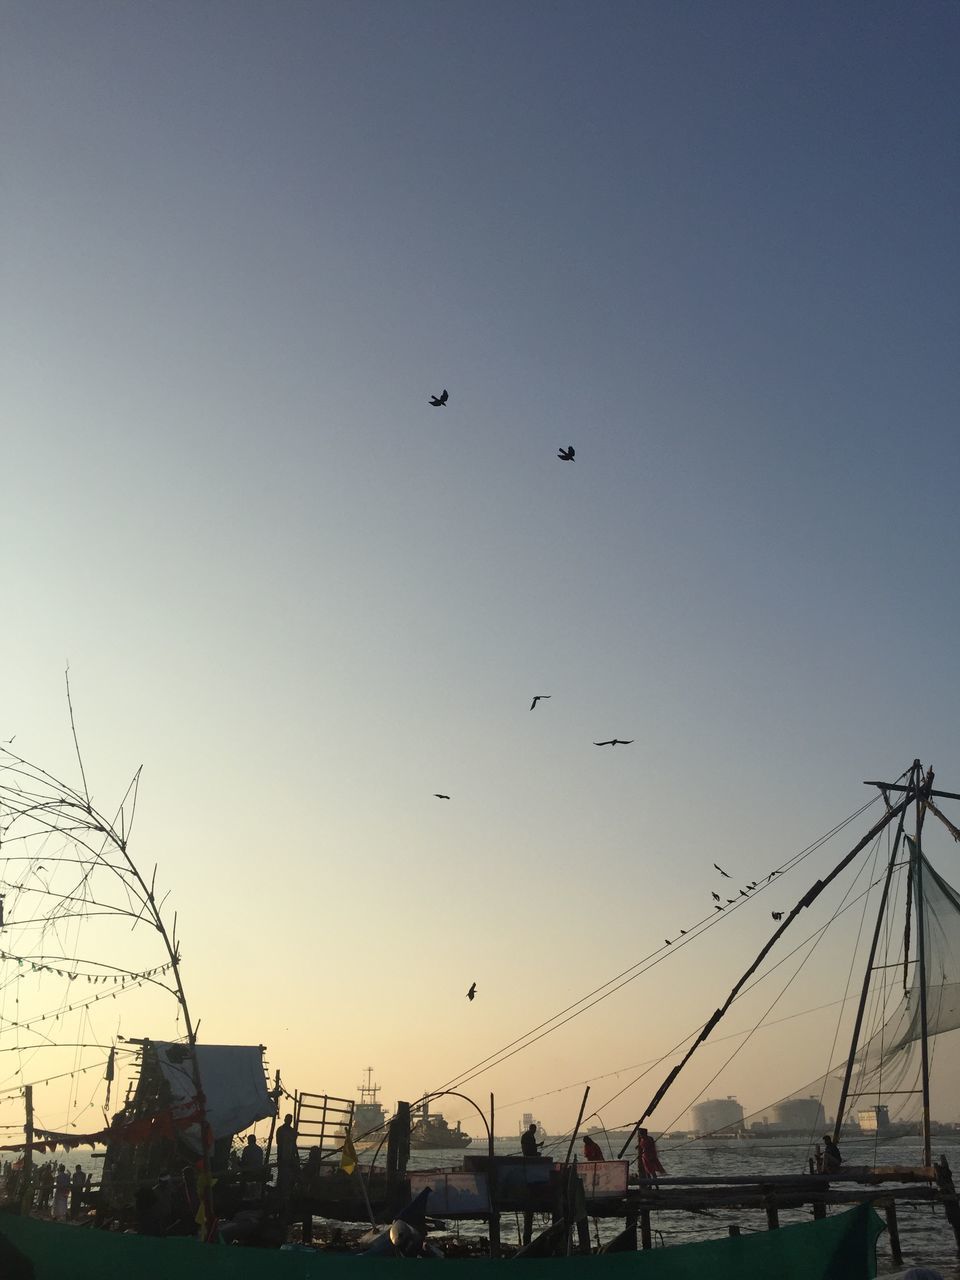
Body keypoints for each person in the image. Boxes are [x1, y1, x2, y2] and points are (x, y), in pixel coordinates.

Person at [275, 1114, 299, 1198]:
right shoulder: (282, 1130)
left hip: (289, 1156)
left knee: (288, 1176)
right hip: (283, 1156)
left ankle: (285, 1192)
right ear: (285, 1120)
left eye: (290, 1119)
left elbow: (294, 1144)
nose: (289, 1121)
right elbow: (279, 1142)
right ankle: (281, 1192)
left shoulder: (289, 1130)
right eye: (288, 1119)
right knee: (282, 1175)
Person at [240, 1133, 264, 1200]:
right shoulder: (259, 1149)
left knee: (242, 1176)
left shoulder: (247, 1149)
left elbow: (244, 1161)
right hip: (258, 1172)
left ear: (249, 1140)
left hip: (249, 1172)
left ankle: (243, 1195)